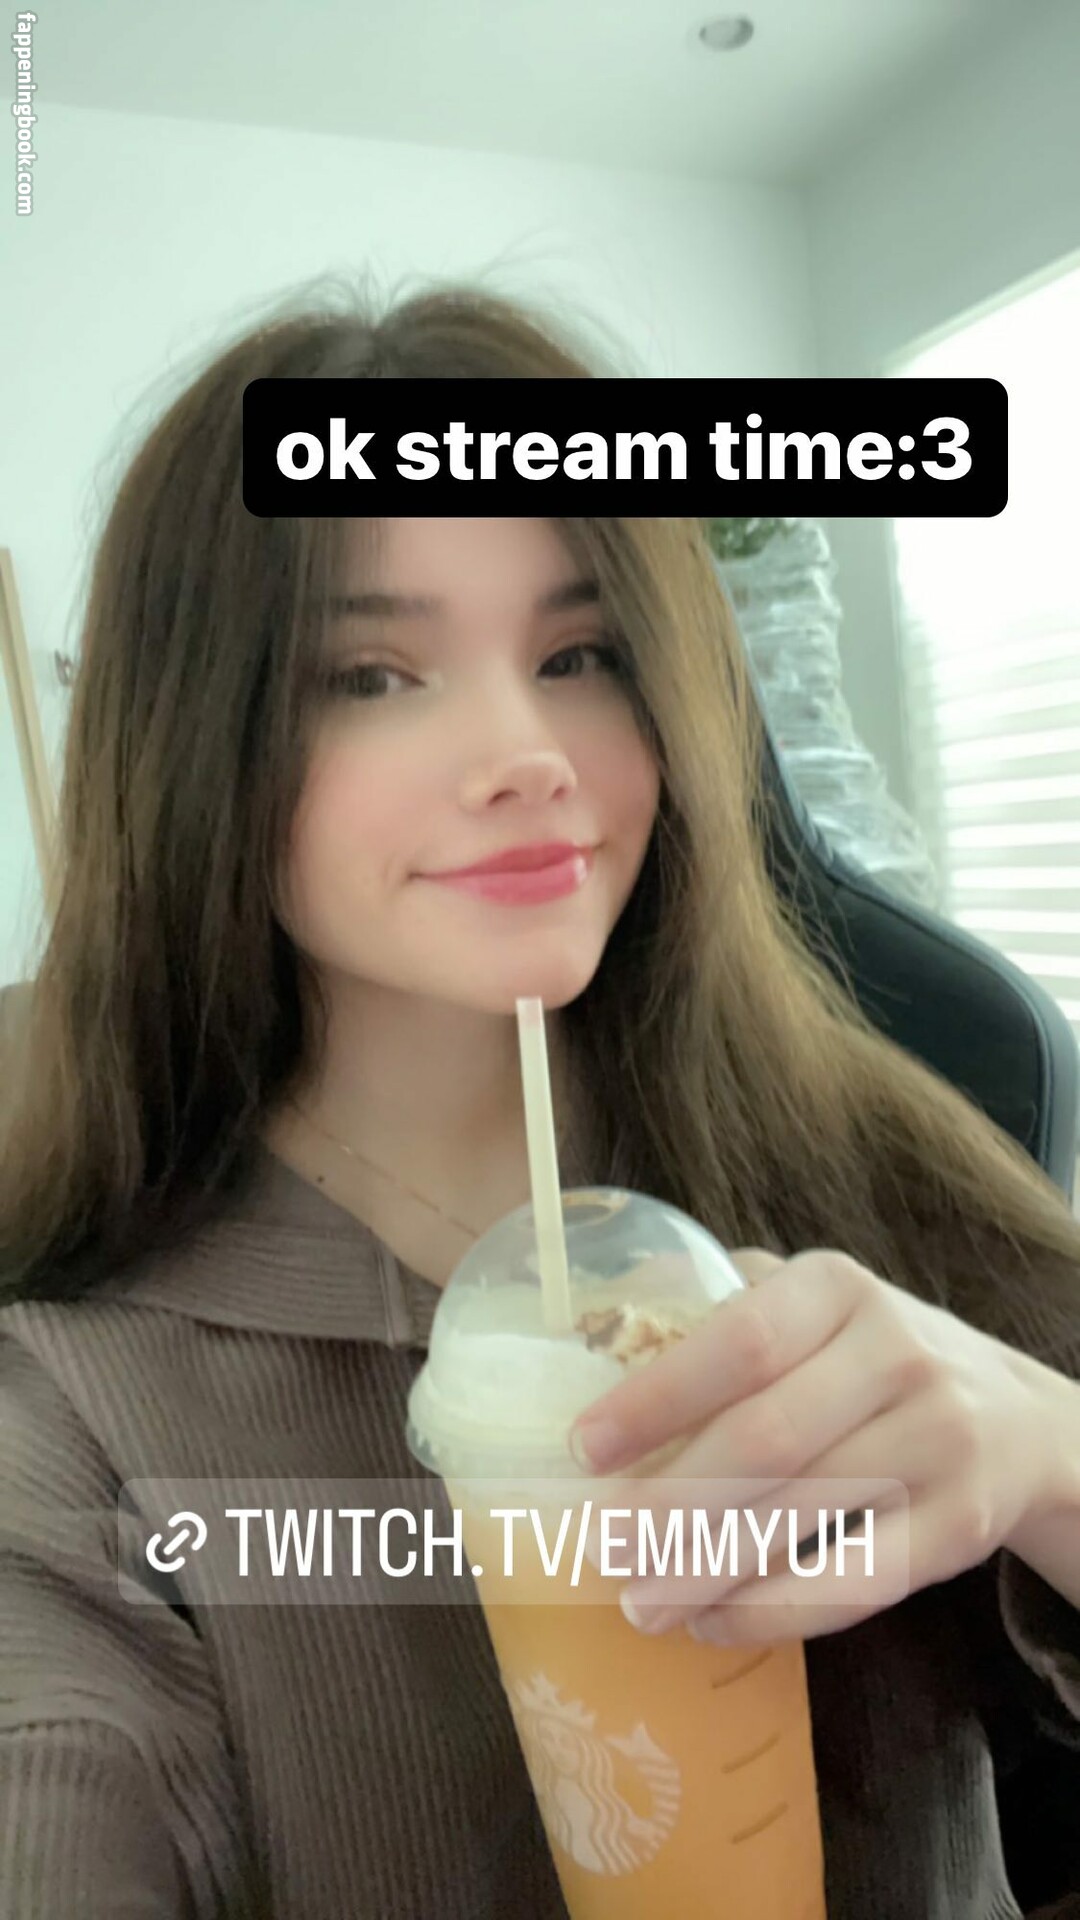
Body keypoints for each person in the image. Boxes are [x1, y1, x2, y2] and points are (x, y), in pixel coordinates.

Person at [1, 275, 1079, 1920]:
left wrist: (1050, 1461)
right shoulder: (74, 1402)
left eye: (580, 654)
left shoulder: (871, 1154)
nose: (528, 751)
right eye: (371, 676)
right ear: (197, 743)